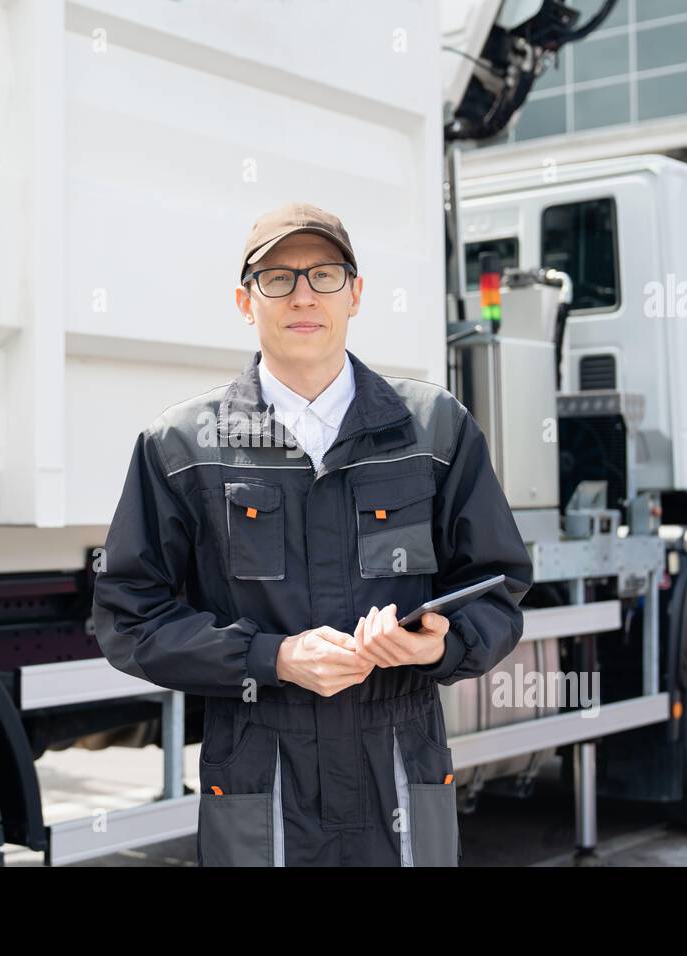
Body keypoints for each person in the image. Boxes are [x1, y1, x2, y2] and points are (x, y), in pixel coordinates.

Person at [91, 201, 533, 866]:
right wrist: (273, 658)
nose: (303, 295)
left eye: (324, 275)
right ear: (246, 301)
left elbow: (497, 589)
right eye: (278, 278)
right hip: (261, 776)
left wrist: (439, 647)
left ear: (355, 294)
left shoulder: (435, 429)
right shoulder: (182, 444)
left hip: (398, 770)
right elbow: (128, 620)